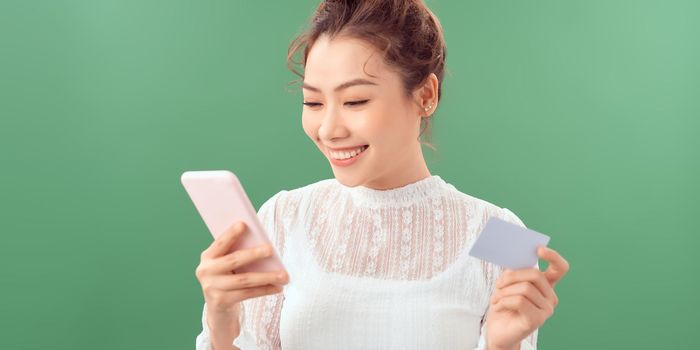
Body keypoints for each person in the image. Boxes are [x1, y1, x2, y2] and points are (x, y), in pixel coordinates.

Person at [194, 1, 570, 349]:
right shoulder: (282, 216)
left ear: (426, 96)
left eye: (355, 101)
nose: (328, 129)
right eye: (313, 102)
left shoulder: (503, 234)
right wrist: (221, 324)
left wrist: (500, 346)